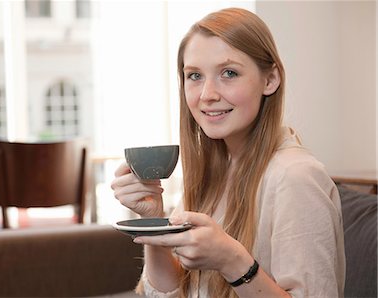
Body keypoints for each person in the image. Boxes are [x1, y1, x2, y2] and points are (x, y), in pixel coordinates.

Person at [111, 7, 345, 298]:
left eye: (229, 73)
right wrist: (153, 221)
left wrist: (233, 262)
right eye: (194, 75)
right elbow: (166, 293)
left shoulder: (296, 178)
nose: (207, 94)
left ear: (270, 80)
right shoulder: (213, 171)